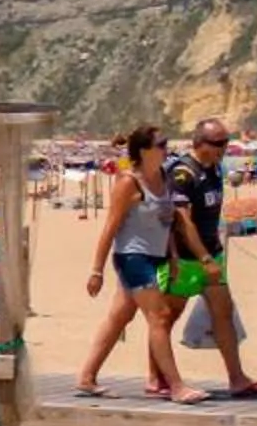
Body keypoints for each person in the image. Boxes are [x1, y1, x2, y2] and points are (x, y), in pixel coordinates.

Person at [74, 124, 211, 403]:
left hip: (156, 256)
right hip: (131, 257)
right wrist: (96, 271)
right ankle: (175, 386)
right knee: (159, 316)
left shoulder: (164, 177)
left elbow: (168, 221)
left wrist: (172, 256)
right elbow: (110, 228)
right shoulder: (128, 183)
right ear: (144, 150)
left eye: (166, 143)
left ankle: (86, 377)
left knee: (119, 317)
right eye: (161, 144)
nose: (166, 149)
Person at [164, 119, 257, 397]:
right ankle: (159, 378)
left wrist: (213, 254)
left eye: (226, 142)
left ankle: (237, 378)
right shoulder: (183, 173)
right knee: (166, 319)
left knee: (223, 313)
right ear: (199, 143)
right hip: (187, 259)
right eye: (218, 143)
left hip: (213, 253)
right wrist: (202, 258)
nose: (224, 148)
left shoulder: (215, 169)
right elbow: (182, 221)